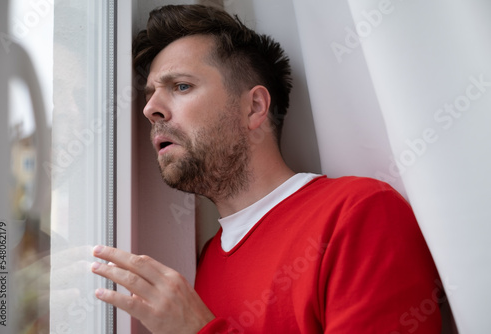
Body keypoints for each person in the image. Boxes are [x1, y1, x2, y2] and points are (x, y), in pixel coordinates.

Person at [91, 4, 442, 333]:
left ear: (255, 107)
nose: (151, 108)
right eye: (150, 94)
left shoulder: (359, 213)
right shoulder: (210, 260)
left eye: (181, 86)